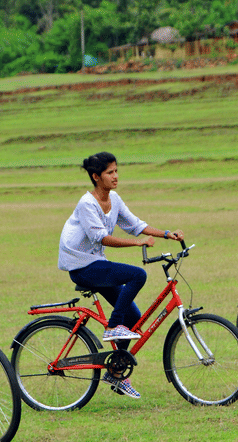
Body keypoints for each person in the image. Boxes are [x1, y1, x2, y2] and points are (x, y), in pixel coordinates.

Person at [58, 151, 184, 400]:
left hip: (96, 262)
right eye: (109, 172)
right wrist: (137, 245)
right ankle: (113, 327)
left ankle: (116, 374)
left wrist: (166, 233)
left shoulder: (113, 198)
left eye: (116, 170)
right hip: (81, 266)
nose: (115, 176)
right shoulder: (86, 204)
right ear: (96, 177)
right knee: (137, 275)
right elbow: (101, 238)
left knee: (134, 318)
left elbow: (135, 224)